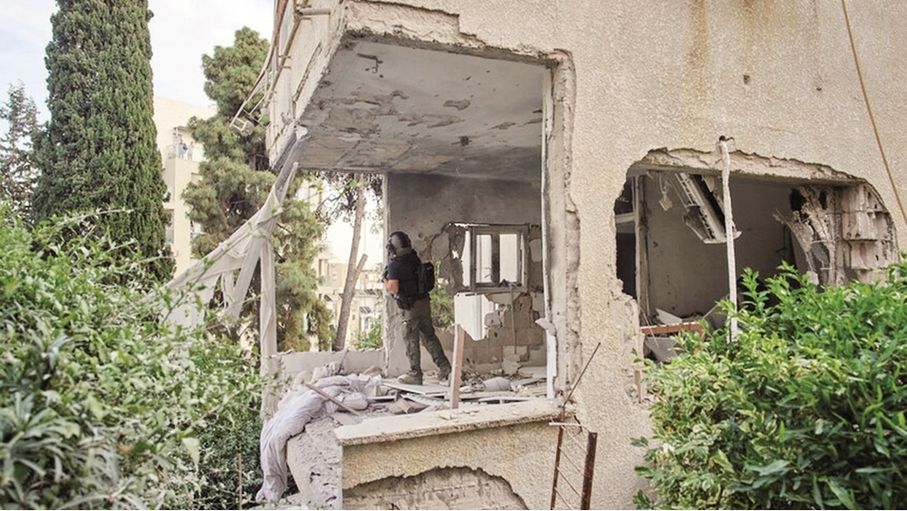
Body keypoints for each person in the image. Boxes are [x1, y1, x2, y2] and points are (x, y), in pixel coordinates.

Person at [383, 231, 451, 385]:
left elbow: (393, 289)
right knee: (429, 336)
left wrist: (384, 280)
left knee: (411, 340)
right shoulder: (414, 258)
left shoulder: (395, 265)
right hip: (423, 303)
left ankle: (415, 374)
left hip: (410, 307)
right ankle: (445, 368)